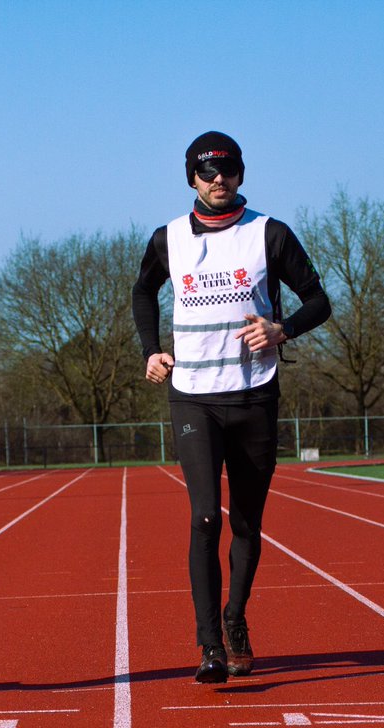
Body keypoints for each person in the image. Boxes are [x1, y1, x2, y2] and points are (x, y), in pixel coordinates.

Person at [132, 131, 331, 683]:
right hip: (193, 396)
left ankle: (236, 619)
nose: (218, 179)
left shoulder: (269, 233)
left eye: (228, 169)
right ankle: (209, 646)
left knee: (245, 521)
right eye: (206, 171)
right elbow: (142, 291)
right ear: (191, 178)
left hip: (254, 394)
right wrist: (152, 350)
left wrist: (282, 328)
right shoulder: (167, 238)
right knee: (202, 517)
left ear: (242, 174)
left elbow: (319, 299)